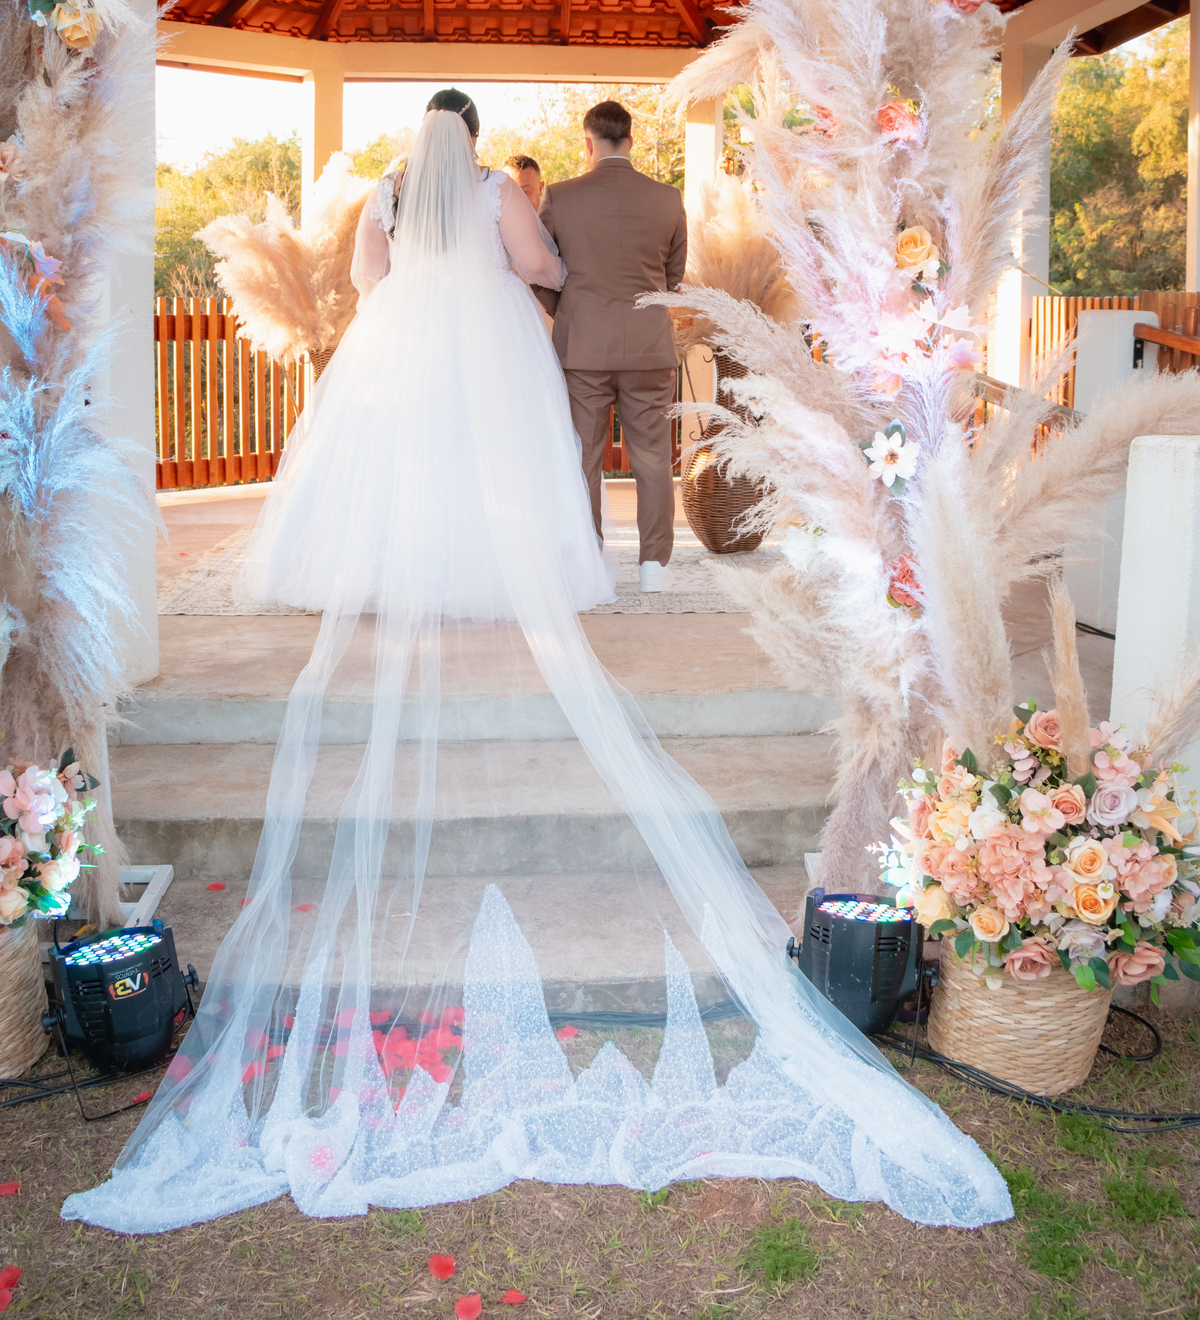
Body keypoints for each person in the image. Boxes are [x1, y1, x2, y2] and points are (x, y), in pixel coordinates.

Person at [61, 94, 1011, 1238]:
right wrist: (524, 265)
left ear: (420, 140)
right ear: (475, 137)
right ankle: (493, 568)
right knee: (499, 465)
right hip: (492, 338)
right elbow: (540, 268)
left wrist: (419, 276)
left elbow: (366, 279)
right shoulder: (498, 192)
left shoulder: (393, 191)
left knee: (402, 458)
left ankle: (392, 568)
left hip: (402, 336)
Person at [537, 101, 686, 594]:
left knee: (582, 455)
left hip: (583, 348)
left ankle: (586, 562)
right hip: (649, 347)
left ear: (588, 142)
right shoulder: (668, 199)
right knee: (652, 458)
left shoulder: (560, 196)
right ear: (631, 139)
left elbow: (543, 275)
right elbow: (672, 280)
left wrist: (575, 312)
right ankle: (654, 570)